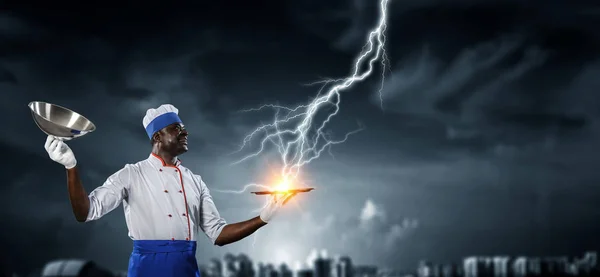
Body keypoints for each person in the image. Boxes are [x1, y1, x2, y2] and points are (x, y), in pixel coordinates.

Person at [43, 104, 296, 277]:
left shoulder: (195, 181)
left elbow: (218, 234)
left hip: (186, 268)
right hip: (147, 268)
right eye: (176, 128)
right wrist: (70, 166)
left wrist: (264, 217)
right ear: (157, 137)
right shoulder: (131, 174)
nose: (185, 131)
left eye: (183, 127)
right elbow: (84, 212)